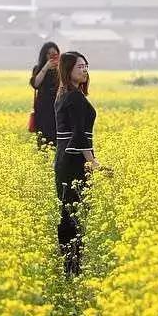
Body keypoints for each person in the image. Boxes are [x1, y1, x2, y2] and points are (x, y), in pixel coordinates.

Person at [54, 51, 108, 277]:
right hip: (74, 161)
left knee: (68, 212)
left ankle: (70, 266)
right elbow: (79, 135)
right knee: (73, 214)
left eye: (86, 66)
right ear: (68, 71)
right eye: (79, 67)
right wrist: (93, 162)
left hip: (63, 160)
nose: (84, 70)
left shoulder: (63, 94)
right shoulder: (74, 97)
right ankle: (72, 267)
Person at [29, 41, 60, 149]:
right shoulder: (38, 68)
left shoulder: (62, 69)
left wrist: (59, 68)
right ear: (44, 55)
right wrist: (46, 67)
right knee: (43, 138)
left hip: (58, 108)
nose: (52, 56)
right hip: (42, 109)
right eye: (49, 54)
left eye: (55, 54)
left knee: (57, 137)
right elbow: (35, 84)